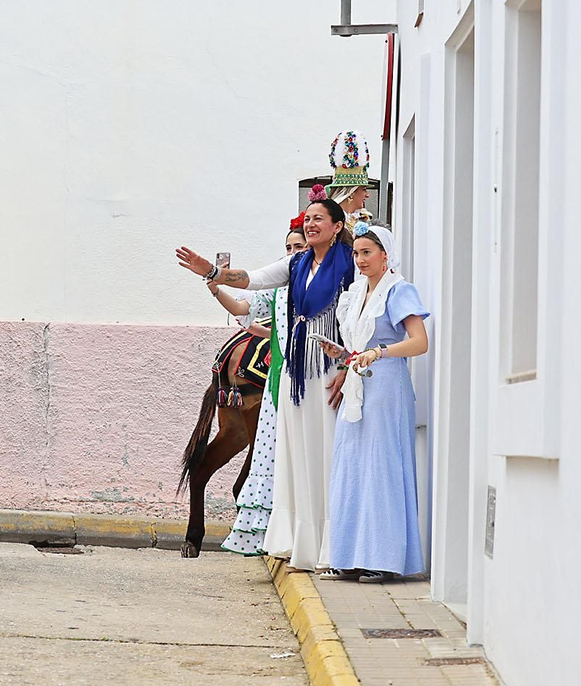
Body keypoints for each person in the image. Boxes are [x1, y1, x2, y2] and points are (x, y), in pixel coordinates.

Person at [177, 193, 355, 569]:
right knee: (297, 458)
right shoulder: (295, 265)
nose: (311, 224)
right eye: (307, 219)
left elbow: (357, 316)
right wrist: (212, 273)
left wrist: (347, 366)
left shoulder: (349, 264)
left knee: (329, 456)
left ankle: (335, 545)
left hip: (330, 372)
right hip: (294, 376)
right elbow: (251, 280)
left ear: (337, 226)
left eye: (319, 219)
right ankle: (303, 543)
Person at [320, 224, 429, 581]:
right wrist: (343, 353)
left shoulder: (398, 290)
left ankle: (383, 559)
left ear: (385, 255)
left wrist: (380, 352)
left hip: (386, 388)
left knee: (381, 467)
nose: (360, 259)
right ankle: (348, 555)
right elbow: (358, 344)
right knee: (351, 466)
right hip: (357, 384)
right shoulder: (355, 293)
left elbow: (419, 342)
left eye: (367, 252)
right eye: (356, 253)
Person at [209, 226, 306, 557]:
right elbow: (241, 309)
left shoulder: (321, 286)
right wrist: (216, 287)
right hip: (281, 379)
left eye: (299, 246)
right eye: (289, 248)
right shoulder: (278, 293)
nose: (293, 253)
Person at [326, 129, 374, 234]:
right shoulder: (330, 219)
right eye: (364, 189)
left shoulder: (365, 218)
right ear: (351, 192)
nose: (367, 195)